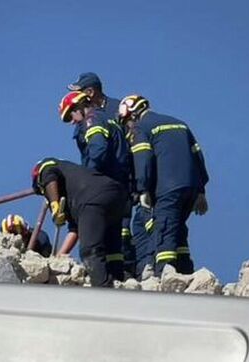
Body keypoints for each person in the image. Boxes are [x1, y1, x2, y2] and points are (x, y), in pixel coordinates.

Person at [119, 94, 210, 275]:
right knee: (178, 228)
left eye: (126, 122)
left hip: (168, 188)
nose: (127, 127)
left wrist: (143, 189)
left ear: (132, 115)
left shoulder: (141, 128)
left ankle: (164, 275)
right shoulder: (180, 123)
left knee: (165, 229)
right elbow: (198, 157)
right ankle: (185, 272)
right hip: (191, 187)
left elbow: (143, 159)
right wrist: (201, 191)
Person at [59, 90, 132, 278]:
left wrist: (88, 178)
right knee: (113, 243)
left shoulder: (92, 120)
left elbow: (98, 149)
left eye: (71, 115)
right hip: (120, 189)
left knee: (93, 245)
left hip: (103, 187)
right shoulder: (108, 119)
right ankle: (117, 280)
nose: (73, 121)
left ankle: (102, 286)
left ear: (80, 106)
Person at [31, 158, 127, 286]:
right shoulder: (70, 189)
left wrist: (54, 205)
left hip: (92, 198)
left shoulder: (45, 167)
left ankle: (104, 291)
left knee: (90, 250)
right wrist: (60, 255)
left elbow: (48, 174)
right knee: (112, 251)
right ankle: (119, 283)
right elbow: (75, 230)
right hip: (116, 196)